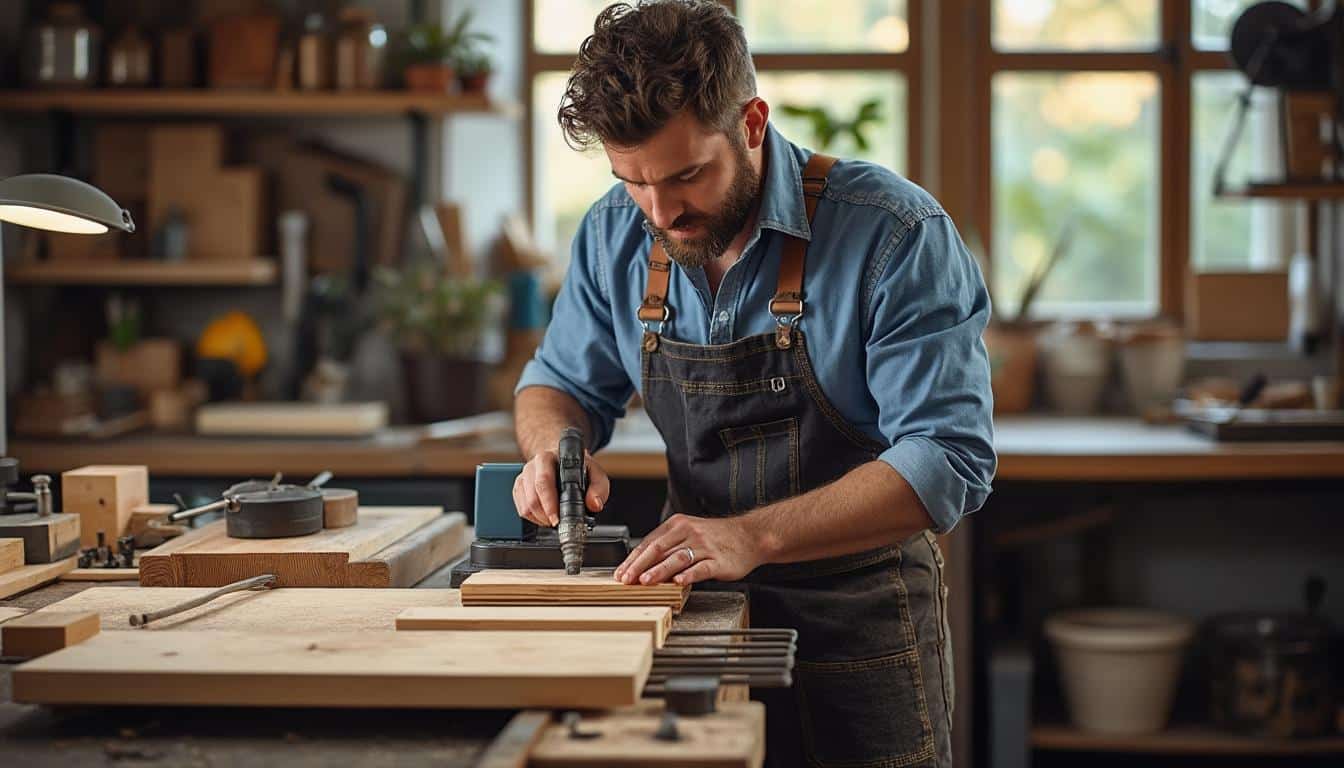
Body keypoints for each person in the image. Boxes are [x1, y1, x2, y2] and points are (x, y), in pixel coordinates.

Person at [511, 2, 995, 765]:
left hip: (861, 620)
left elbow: (948, 459)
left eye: (685, 176)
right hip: (693, 615)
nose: (661, 211)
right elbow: (558, 382)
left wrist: (750, 536)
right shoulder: (615, 229)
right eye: (632, 181)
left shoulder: (894, 233)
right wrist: (553, 449)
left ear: (753, 123)